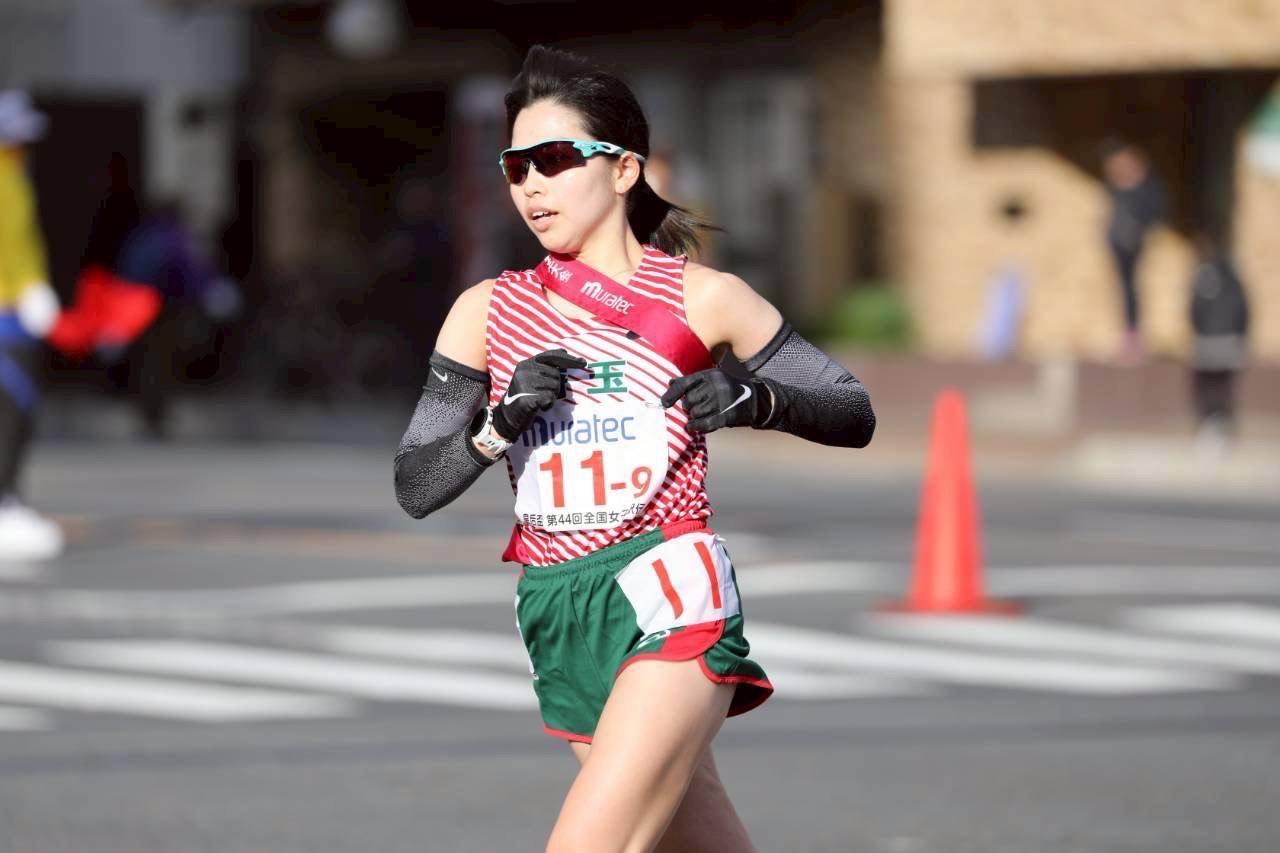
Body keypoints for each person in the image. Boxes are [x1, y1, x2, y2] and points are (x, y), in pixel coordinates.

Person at [393, 46, 875, 853]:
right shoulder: (485, 311)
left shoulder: (703, 296)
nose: (531, 186)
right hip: (558, 608)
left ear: (623, 170)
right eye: (515, 168)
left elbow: (849, 408)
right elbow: (416, 481)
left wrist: (755, 398)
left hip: (668, 589)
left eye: (552, 159)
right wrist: (498, 425)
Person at [0, 90, 64, 560]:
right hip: (5, 318)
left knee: (16, 412)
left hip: (15, 316)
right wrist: (27, 287)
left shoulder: (14, 178)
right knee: (11, 413)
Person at [1101, 138, 1167, 363]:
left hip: (1135, 246)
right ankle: (1128, 337)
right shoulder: (1116, 189)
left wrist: (1138, 230)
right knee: (1124, 290)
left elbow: (1153, 216)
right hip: (1118, 246)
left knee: (1133, 290)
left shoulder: (1146, 189)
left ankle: (1135, 339)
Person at [1188, 231, 1250, 454]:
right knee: (1225, 387)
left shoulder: (1202, 276)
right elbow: (1245, 311)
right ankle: (1223, 426)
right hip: (1230, 342)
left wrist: (1200, 332)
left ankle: (1210, 425)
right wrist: (1241, 337)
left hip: (1206, 342)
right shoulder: (1235, 278)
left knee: (1207, 387)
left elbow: (1194, 310)